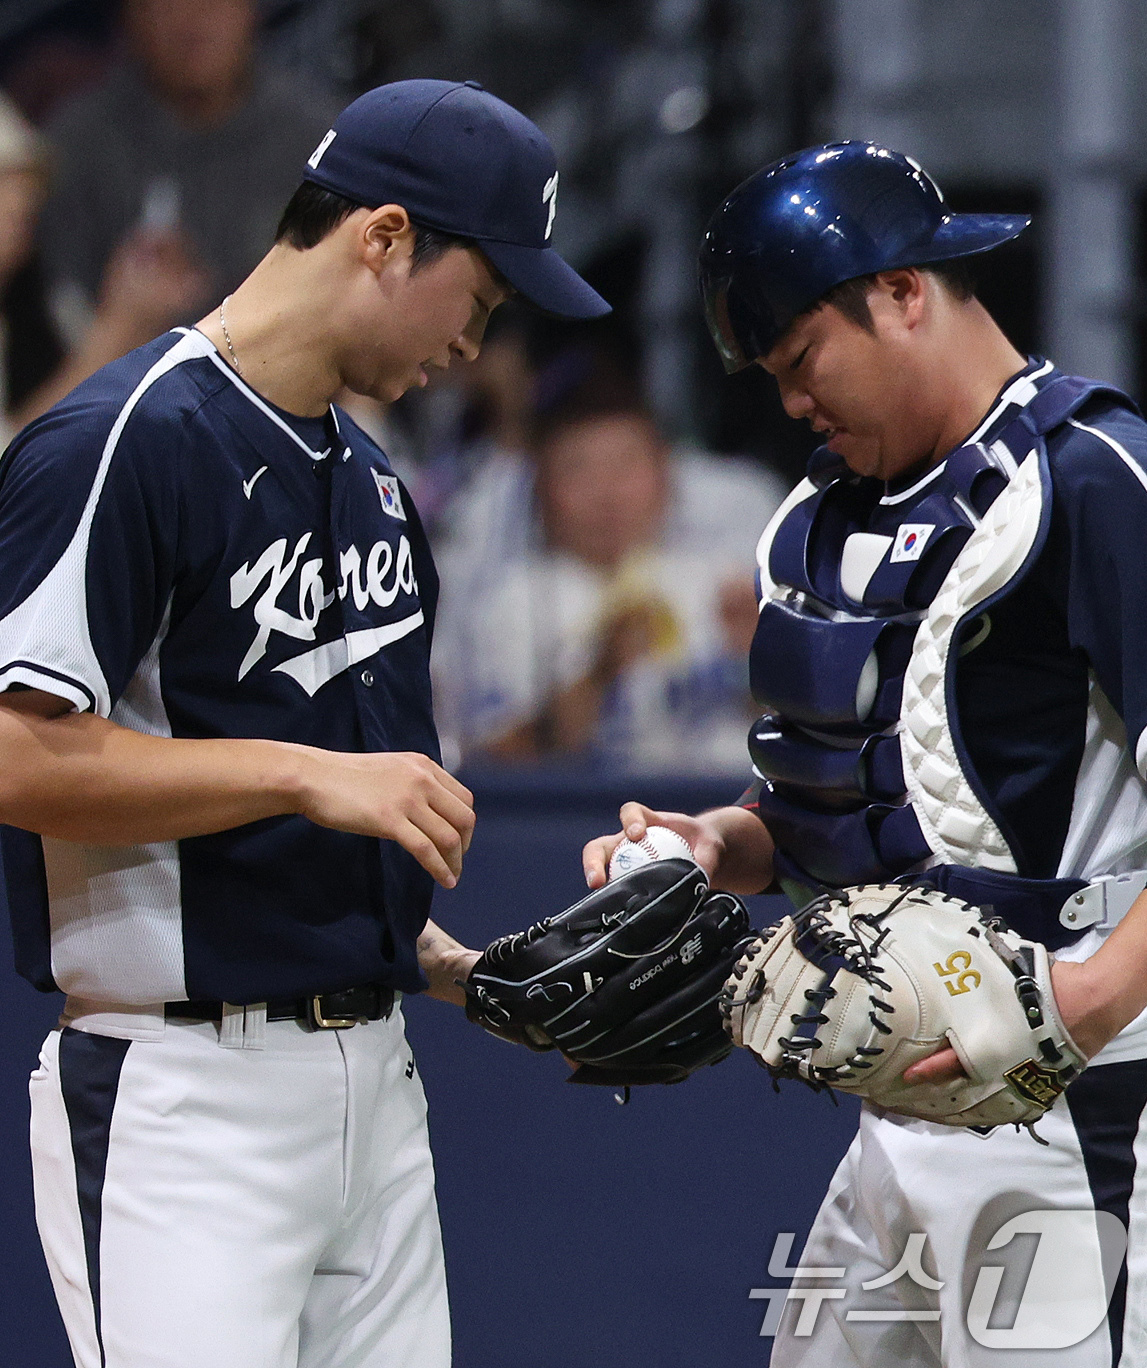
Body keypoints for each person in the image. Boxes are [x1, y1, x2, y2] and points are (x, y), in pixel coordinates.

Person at [0, 78, 607, 1368]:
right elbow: (10, 752)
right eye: (480, 301)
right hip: (184, 1098)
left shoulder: (373, 476)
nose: (473, 345)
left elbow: (324, 813)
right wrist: (303, 774)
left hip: (374, 1084)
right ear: (385, 237)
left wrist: (444, 965)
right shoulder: (124, 439)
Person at [584, 141, 1147, 1365]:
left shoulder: (1095, 477)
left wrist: (1085, 1006)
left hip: (1082, 1104)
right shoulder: (828, 514)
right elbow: (835, 803)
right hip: (907, 1103)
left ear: (903, 293)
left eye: (800, 360)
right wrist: (709, 843)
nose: (790, 402)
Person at [433, 374, 783, 770]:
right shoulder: (506, 607)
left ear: (666, 473)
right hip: (573, 819)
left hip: (723, 805)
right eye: (578, 469)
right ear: (541, 489)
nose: (608, 492)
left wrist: (764, 656)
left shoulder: (727, 586)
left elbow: (796, 729)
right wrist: (600, 675)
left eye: (626, 464)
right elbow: (487, 765)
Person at [38, 0, 336, 341]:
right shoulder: (72, 147)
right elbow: (59, 308)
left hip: (290, 376)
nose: (192, 16)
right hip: (120, 381)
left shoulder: (320, 141)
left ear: (251, 9)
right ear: (129, 15)